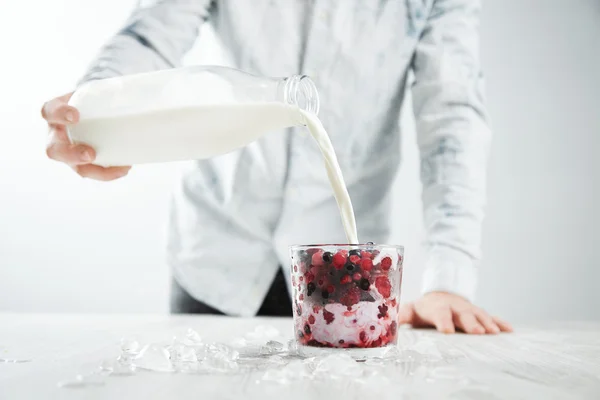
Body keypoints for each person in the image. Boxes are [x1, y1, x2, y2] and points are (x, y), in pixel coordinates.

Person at [42, 0, 512, 334]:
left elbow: (452, 114)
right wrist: (94, 108)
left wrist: (450, 278)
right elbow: (152, 32)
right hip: (218, 249)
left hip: (345, 275)